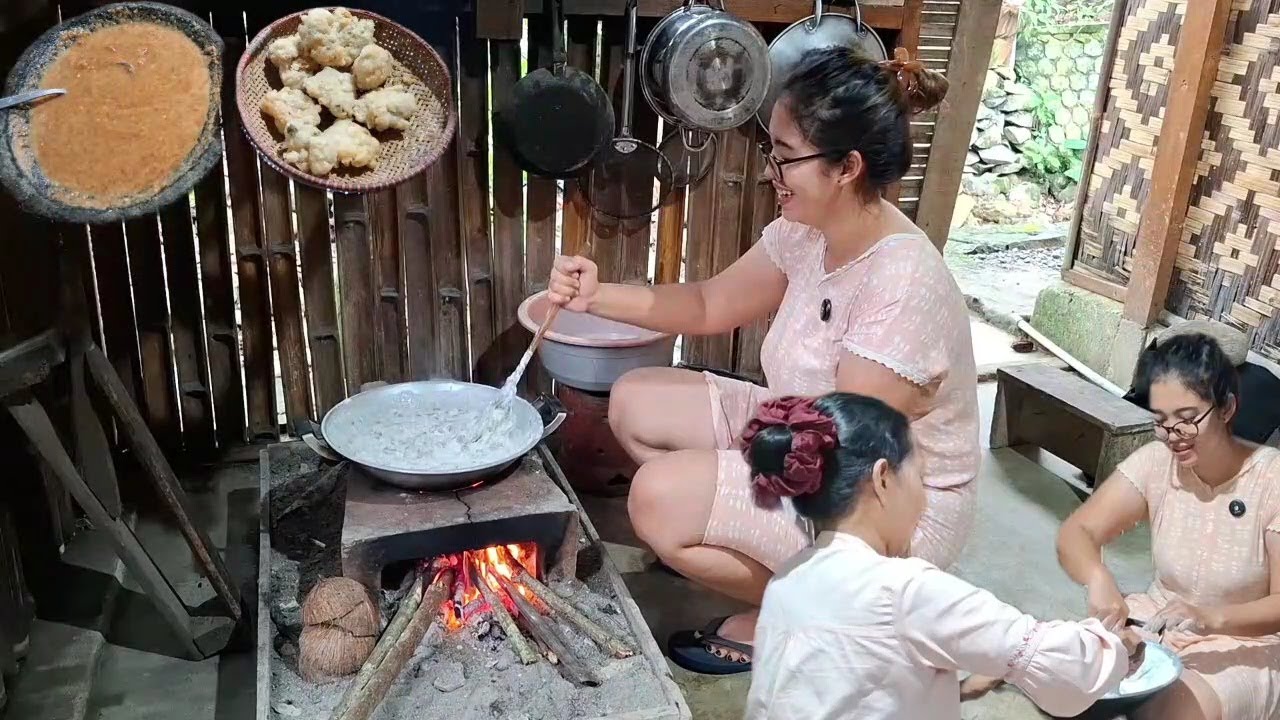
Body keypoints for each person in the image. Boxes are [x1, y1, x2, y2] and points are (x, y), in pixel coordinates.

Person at [546, 46, 980, 674]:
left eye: (786, 157)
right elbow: (704, 303)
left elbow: (843, 452)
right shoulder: (807, 231)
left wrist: (709, 475)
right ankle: (747, 540)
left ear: (846, 168)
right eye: (769, 151)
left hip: (886, 508)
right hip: (808, 429)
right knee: (636, 398)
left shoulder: (902, 281)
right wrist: (597, 294)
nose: (770, 171)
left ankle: (818, 609)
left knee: (657, 499)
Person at [743, 393, 1132, 719]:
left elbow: (847, 688)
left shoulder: (786, 582)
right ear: (883, 479)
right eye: (919, 477)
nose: (923, 498)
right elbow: (1064, 665)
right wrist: (1116, 646)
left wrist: (963, 683)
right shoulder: (905, 591)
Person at [1057, 333, 1280, 720]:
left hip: (1244, 640)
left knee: (1170, 712)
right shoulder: (1157, 463)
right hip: (1157, 617)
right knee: (1064, 677)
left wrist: (1210, 617)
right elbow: (1077, 533)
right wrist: (1097, 577)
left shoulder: (1271, 480)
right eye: (1161, 422)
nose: (1172, 436)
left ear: (1226, 408)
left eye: (1188, 420)